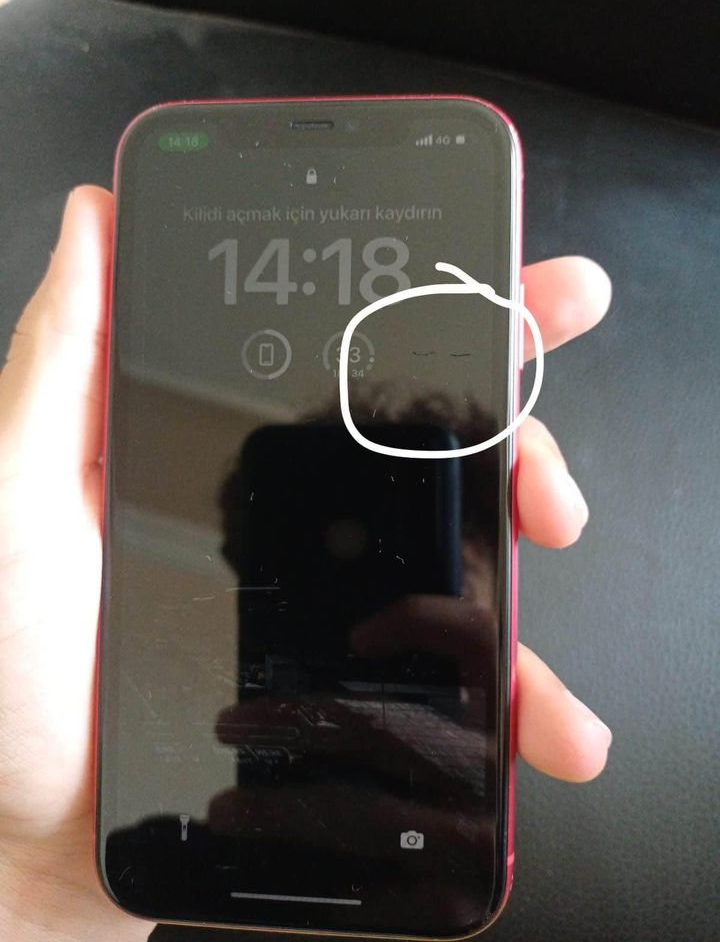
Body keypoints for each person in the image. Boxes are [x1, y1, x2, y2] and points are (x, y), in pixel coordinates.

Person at [0, 186, 614, 941]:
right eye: (288, 559)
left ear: (493, 567)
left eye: (401, 557)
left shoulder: (156, 861)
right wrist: (32, 885)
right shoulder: (145, 849)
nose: (340, 600)